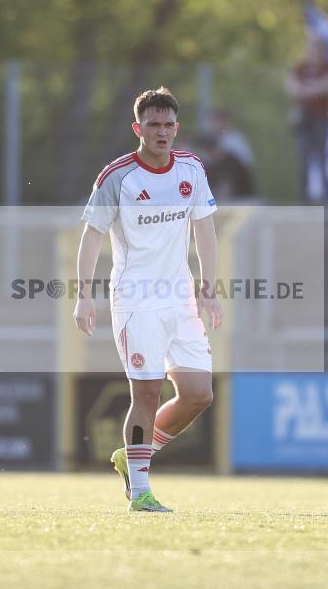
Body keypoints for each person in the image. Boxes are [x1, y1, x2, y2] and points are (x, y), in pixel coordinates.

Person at [74, 87, 222, 513]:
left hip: (180, 300)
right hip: (136, 301)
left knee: (198, 394)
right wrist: (84, 296)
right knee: (148, 395)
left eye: (169, 124)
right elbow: (91, 236)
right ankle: (140, 492)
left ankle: (132, 458)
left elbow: (206, 230)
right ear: (138, 128)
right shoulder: (117, 177)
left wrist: (208, 290)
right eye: (153, 124)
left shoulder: (191, 169)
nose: (162, 132)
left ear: (178, 128)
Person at [286, 39, 328, 201]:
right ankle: (304, 201)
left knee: (323, 159)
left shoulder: (327, 68)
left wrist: (306, 91)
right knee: (303, 161)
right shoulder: (300, 68)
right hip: (304, 121)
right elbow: (291, 88)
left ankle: (327, 201)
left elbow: (327, 86)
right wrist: (312, 91)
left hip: (321, 119)